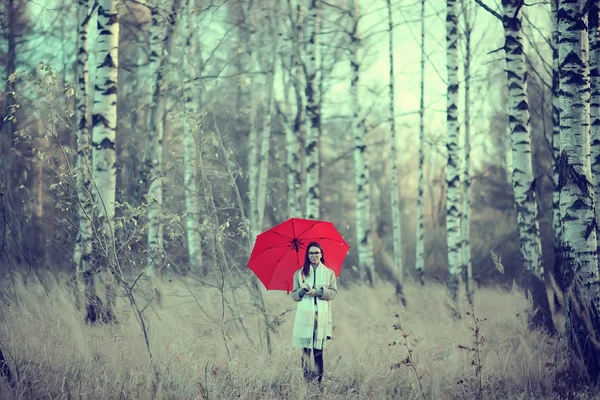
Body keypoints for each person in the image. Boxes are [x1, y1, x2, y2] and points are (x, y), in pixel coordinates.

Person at [291, 241, 338, 384]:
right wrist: (302, 289)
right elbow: (294, 296)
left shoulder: (329, 273)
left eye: (317, 252)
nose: (314, 255)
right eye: (311, 253)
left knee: (318, 351)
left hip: (321, 316)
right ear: (307, 255)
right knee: (306, 350)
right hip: (305, 315)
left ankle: (318, 382)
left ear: (321, 254)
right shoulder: (300, 273)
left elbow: (333, 293)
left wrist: (318, 292)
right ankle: (306, 381)